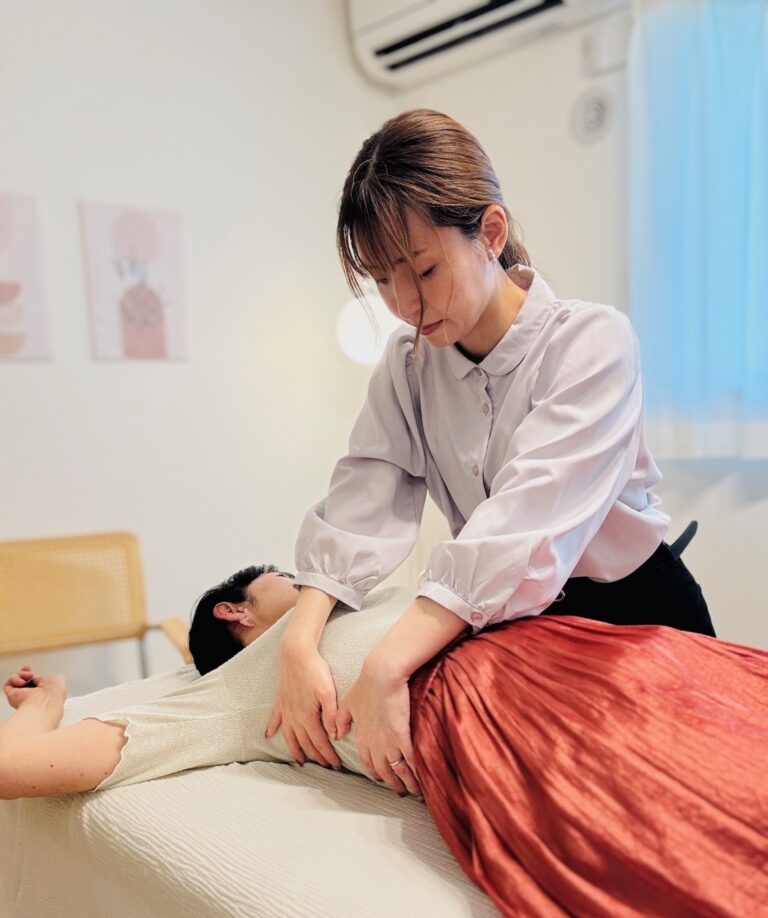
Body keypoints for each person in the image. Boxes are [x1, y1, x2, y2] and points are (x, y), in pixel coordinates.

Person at [1, 563, 766, 918]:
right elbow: (14, 770)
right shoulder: (235, 692)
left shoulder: (388, 594)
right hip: (507, 712)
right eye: (280, 572)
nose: (306, 575)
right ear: (235, 611)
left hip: (591, 649)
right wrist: (49, 703)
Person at [269, 108, 716, 797]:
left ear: (491, 233)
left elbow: (522, 522)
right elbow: (364, 497)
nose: (405, 304)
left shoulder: (591, 343)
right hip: (520, 629)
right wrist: (298, 643)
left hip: (639, 619)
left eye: (423, 270)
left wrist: (387, 664)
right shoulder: (408, 365)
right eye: (383, 280)